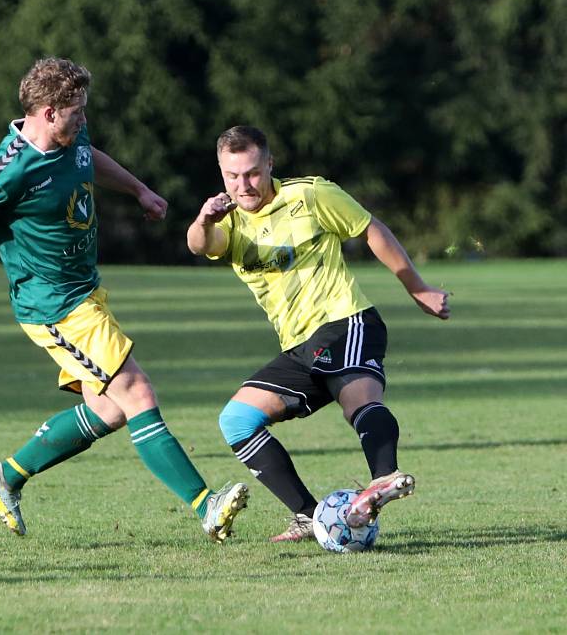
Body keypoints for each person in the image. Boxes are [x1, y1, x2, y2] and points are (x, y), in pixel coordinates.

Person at [0, 57, 248, 541]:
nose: (84, 119)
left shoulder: (72, 137)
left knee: (110, 410)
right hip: (54, 307)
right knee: (136, 392)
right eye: (76, 111)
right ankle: (206, 506)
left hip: (86, 293)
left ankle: (5, 477)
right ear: (48, 112)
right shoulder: (8, 168)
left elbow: (91, 160)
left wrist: (138, 190)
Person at [187, 125, 450, 542]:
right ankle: (309, 516)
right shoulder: (228, 220)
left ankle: (385, 476)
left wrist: (416, 287)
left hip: (346, 321)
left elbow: (371, 228)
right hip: (297, 348)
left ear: (269, 164)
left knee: (357, 401)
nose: (243, 185)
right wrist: (204, 218)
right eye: (232, 176)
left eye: (252, 173)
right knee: (237, 420)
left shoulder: (311, 195)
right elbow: (200, 245)